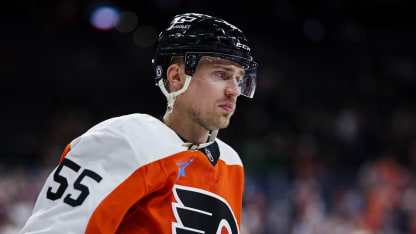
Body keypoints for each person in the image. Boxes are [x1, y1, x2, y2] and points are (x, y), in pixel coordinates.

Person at [20, 12, 258, 234]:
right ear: (176, 77)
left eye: (239, 79)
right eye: (222, 74)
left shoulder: (230, 162)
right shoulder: (125, 140)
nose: (234, 91)